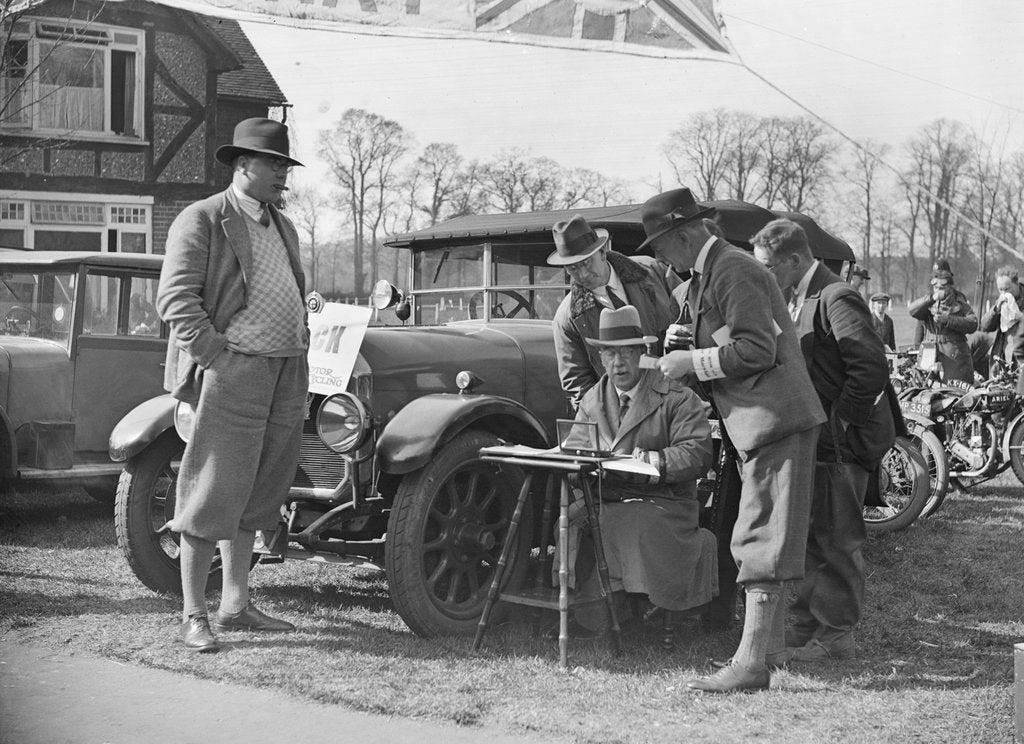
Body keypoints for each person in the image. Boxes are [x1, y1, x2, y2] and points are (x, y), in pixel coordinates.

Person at [640, 188, 825, 693]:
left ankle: (750, 664)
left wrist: (689, 362)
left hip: (773, 421)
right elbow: (738, 341)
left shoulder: (732, 269)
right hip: (763, 421)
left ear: (681, 235)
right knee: (765, 527)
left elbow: (759, 349)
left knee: (760, 532)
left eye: (659, 246)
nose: (659, 257)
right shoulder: (716, 271)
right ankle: (771, 648)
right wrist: (695, 346)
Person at [158, 118, 309, 653]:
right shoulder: (202, 219)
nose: (281, 176)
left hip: (286, 371)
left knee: (260, 493)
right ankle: (194, 613)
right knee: (212, 489)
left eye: (285, 167)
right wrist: (216, 357)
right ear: (242, 164)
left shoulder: (283, 226)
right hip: (234, 371)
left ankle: (235, 605)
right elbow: (176, 301)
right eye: (273, 165)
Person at [751, 219, 893, 663]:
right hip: (819, 440)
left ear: (795, 260)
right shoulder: (799, 297)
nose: (765, 276)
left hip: (841, 443)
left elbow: (870, 370)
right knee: (814, 536)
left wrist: (841, 425)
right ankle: (809, 627)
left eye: (769, 266)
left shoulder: (836, 296)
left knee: (837, 538)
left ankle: (835, 639)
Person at [561, 305, 716, 636]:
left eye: (626, 353)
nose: (618, 364)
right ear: (600, 357)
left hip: (666, 503)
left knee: (624, 521)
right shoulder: (593, 398)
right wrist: (583, 464)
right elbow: (574, 449)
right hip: (605, 498)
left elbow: (698, 453)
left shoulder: (675, 395)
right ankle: (586, 611)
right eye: (609, 354)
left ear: (643, 352)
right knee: (568, 520)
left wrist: (652, 461)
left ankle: (633, 609)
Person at [548, 214, 679, 410]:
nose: (583, 274)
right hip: (627, 411)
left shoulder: (652, 271)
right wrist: (606, 419)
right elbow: (577, 383)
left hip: (681, 394)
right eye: (573, 268)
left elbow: (695, 312)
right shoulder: (567, 318)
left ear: (602, 252)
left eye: (586, 263)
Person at [908, 259, 978, 385]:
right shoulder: (927, 301)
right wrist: (931, 298)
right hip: (929, 351)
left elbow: (972, 323)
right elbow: (913, 312)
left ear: (950, 286)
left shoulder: (959, 301)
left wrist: (948, 320)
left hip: (953, 354)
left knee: (955, 390)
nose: (939, 290)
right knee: (923, 388)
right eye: (936, 287)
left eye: (943, 287)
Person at [979, 265, 1024, 391]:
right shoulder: (1002, 302)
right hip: (1004, 358)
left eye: (1007, 289)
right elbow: (985, 326)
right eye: (1000, 290)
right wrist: (995, 310)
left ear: (1016, 283)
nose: (1004, 293)